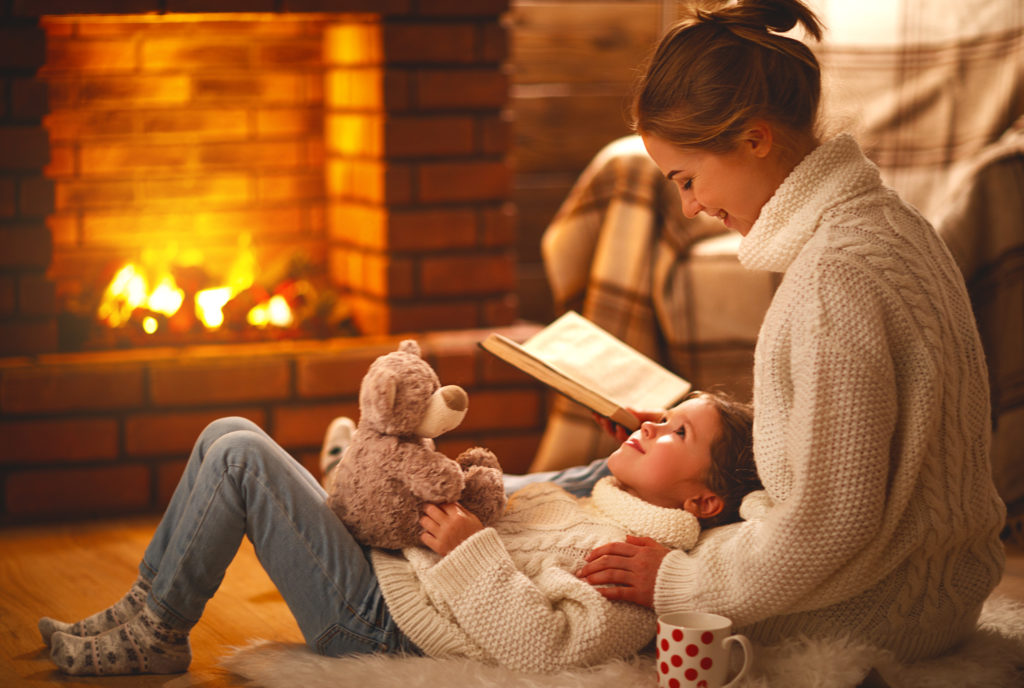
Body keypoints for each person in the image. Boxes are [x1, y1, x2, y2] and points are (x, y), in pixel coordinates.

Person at [507, 0, 1007, 663]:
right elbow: (833, 440)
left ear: (753, 138)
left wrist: (681, 582)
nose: (690, 206)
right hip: (923, 579)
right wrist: (683, 434)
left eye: (687, 179)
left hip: (888, 604)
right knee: (609, 489)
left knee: (596, 530)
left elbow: (832, 518)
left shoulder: (835, 277)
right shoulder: (886, 226)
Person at [38, 391, 759, 676]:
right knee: (228, 430)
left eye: (677, 431)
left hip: (384, 623)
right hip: (394, 570)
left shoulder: (637, 565)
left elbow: (547, 646)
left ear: (702, 500)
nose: (652, 424)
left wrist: (467, 551)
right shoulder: (602, 495)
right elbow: (529, 507)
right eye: (664, 414)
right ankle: (147, 610)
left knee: (239, 454)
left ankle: (160, 627)